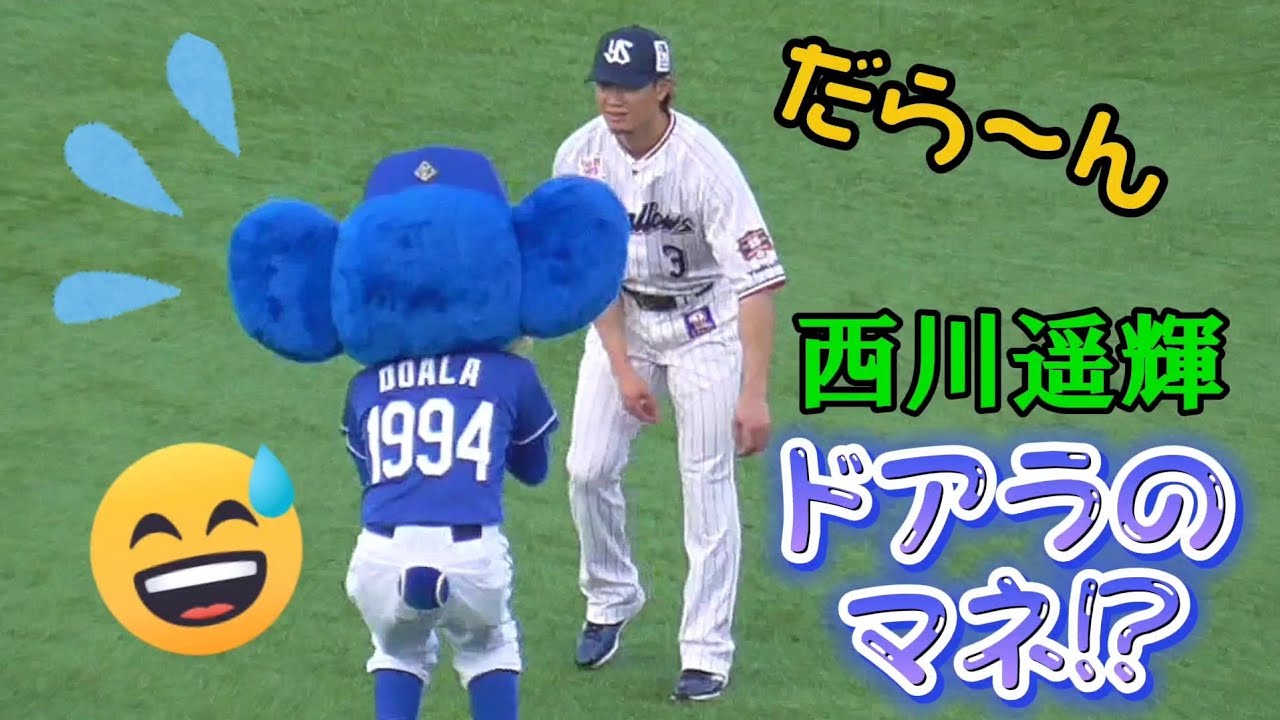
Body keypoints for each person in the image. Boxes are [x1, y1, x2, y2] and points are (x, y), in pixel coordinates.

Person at [224, 146, 631, 720]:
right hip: (470, 554)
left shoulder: (364, 388)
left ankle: (412, 614)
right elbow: (534, 469)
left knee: (398, 651)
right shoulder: (510, 374)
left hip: (380, 555)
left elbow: (369, 472)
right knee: (491, 647)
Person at [552, 25, 787, 702]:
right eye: (604, 85)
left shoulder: (705, 165)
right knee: (588, 468)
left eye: (627, 87)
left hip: (704, 328)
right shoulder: (579, 157)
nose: (612, 98)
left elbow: (756, 282)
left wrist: (754, 393)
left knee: (706, 481)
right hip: (622, 320)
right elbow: (586, 269)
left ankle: (706, 650)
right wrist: (623, 368)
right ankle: (611, 596)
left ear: (664, 89)